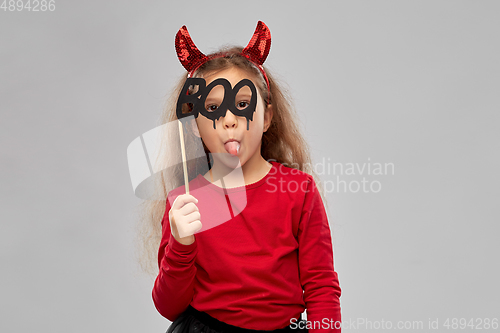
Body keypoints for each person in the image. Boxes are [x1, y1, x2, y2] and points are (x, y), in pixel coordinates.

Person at [145, 21, 341, 332]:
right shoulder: (185, 202)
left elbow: (321, 287)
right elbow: (169, 307)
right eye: (212, 108)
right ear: (196, 125)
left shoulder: (298, 190)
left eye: (242, 105)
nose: (229, 121)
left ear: (267, 118)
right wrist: (181, 244)